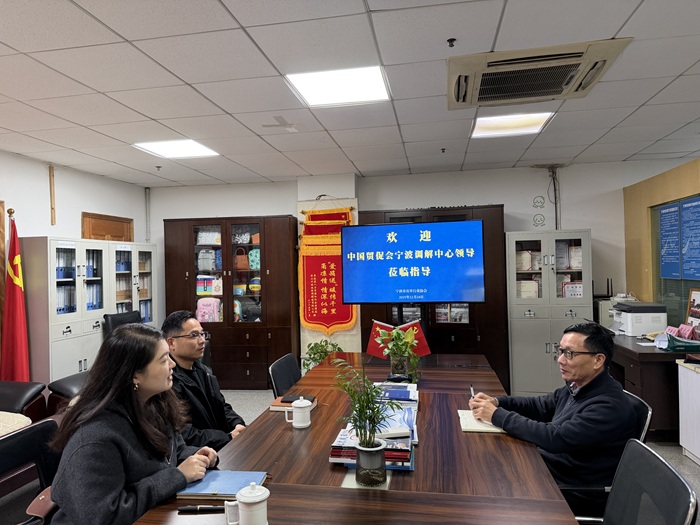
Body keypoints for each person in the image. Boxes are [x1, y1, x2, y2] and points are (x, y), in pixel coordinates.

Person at [49, 323, 218, 525]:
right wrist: (177, 476)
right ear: (135, 375)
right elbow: (105, 517)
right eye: (164, 359)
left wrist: (197, 456)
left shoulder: (154, 403)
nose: (172, 364)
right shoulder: (95, 437)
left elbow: (171, 453)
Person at [469, 322, 637, 516]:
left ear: (598, 360)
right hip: (553, 470)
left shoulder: (608, 406)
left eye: (570, 354)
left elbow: (555, 438)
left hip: (573, 490)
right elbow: (539, 406)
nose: (560, 360)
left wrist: (496, 415)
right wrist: (497, 402)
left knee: (486, 485)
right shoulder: (578, 385)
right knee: (487, 463)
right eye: (561, 351)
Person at [161, 310, 246, 451]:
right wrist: (227, 438)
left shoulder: (204, 371)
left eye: (202, 334)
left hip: (221, 446)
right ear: (171, 343)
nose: (202, 341)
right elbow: (185, 435)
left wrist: (237, 424)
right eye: (194, 335)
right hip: (200, 454)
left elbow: (221, 406)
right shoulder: (168, 383)